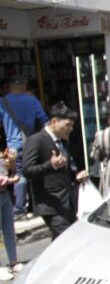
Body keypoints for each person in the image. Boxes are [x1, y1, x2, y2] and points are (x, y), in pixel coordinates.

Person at [22, 103, 88, 240]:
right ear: (54, 121)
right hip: (49, 203)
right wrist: (50, 165)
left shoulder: (63, 142)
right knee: (68, 239)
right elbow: (27, 170)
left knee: (61, 244)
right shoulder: (36, 140)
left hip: (68, 202)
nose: (71, 129)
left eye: (72, 125)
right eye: (67, 125)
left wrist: (77, 176)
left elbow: (65, 170)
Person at [0, 75, 49, 220]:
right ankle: (37, 207)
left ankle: (20, 210)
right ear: (23, 86)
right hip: (31, 143)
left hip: (13, 146)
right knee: (34, 173)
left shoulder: (3, 102)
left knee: (19, 175)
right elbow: (45, 121)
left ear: (10, 86)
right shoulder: (32, 100)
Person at [0, 147, 22, 281]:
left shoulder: (3, 152)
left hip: (5, 194)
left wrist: (13, 168)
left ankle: (13, 262)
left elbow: (12, 172)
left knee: (9, 230)